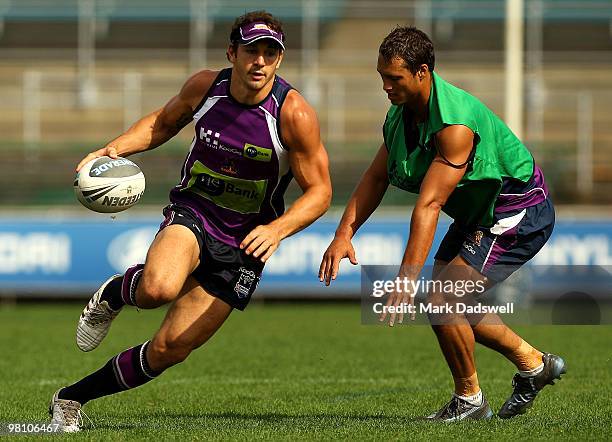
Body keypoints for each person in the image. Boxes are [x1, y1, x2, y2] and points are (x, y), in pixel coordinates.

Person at [49, 10, 332, 432]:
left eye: (270, 54)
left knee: (169, 349)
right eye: (251, 51)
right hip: (194, 212)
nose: (260, 62)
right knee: (157, 287)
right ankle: (116, 291)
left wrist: (276, 229)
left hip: (246, 242)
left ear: (279, 60)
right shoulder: (206, 87)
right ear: (231, 52)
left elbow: (321, 192)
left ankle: (70, 399)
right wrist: (114, 149)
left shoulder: (294, 114)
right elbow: (161, 124)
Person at [319, 26, 565, 422]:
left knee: (443, 301)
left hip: (515, 211)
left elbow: (430, 204)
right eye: (381, 76)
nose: (385, 86)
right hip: (477, 213)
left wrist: (405, 277)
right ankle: (534, 365)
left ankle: (470, 402)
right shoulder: (400, 116)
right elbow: (376, 177)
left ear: (422, 73)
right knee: (447, 304)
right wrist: (343, 233)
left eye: (394, 78)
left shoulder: (455, 124)